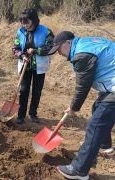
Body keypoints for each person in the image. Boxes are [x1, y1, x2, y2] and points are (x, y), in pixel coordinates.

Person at [48, 31, 115, 180]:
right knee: (97, 108)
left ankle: (79, 170)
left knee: (95, 125)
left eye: (59, 49)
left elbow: (82, 85)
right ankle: (106, 147)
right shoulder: (85, 43)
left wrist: (73, 107)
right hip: (111, 83)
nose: (58, 53)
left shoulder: (81, 55)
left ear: (68, 42)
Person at [12, 8, 54, 124]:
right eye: (23, 23)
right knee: (24, 90)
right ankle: (21, 115)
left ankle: (33, 114)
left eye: (27, 22)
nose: (25, 25)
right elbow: (15, 48)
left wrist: (36, 51)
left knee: (37, 91)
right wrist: (21, 55)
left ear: (34, 20)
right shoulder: (20, 32)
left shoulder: (46, 31)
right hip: (25, 65)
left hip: (40, 67)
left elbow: (51, 48)